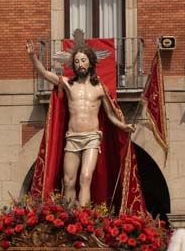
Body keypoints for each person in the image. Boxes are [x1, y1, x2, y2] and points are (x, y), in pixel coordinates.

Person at [27, 42, 136, 207]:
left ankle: (84, 217)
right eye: (77, 61)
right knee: (68, 180)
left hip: (92, 138)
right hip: (72, 138)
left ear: (90, 63)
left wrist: (123, 126)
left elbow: (109, 115)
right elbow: (43, 73)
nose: (80, 64)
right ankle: (70, 216)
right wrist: (32, 56)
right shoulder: (68, 84)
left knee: (85, 177)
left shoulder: (99, 88)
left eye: (83, 60)